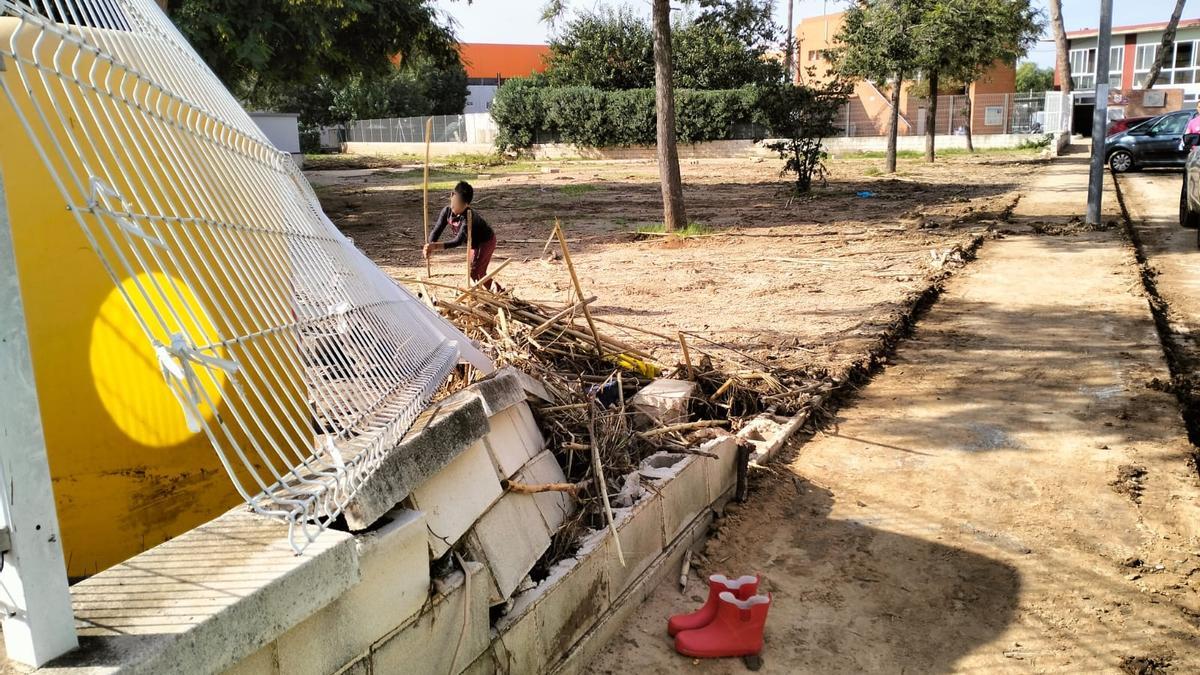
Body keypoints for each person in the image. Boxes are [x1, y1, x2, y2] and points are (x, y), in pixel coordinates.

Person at [423, 181, 499, 288]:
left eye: (461, 204)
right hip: (473, 244)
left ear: (467, 205)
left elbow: (458, 241)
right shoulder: (447, 211)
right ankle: (489, 292)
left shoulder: (468, 217)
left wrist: (435, 246)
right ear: (452, 195)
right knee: (473, 272)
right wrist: (429, 245)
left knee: (476, 272)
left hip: (485, 242)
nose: (457, 207)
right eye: (456, 202)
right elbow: (436, 231)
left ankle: (499, 292)